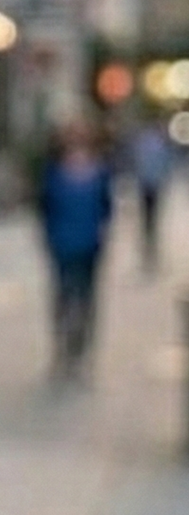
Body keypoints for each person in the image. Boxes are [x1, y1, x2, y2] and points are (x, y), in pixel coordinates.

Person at [37, 113, 115, 379]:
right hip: (61, 243)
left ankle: (81, 349)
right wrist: (48, 236)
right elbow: (44, 206)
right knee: (63, 295)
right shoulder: (53, 170)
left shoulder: (99, 169)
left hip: (90, 244)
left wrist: (102, 233)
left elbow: (106, 206)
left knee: (87, 297)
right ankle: (63, 348)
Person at [128, 113, 172, 273]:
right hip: (148, 184)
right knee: (149, 216)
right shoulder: (156, 143)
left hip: (149, 184)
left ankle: (149, 242)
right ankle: (149, 242)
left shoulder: (147, 142)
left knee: (149, 216)